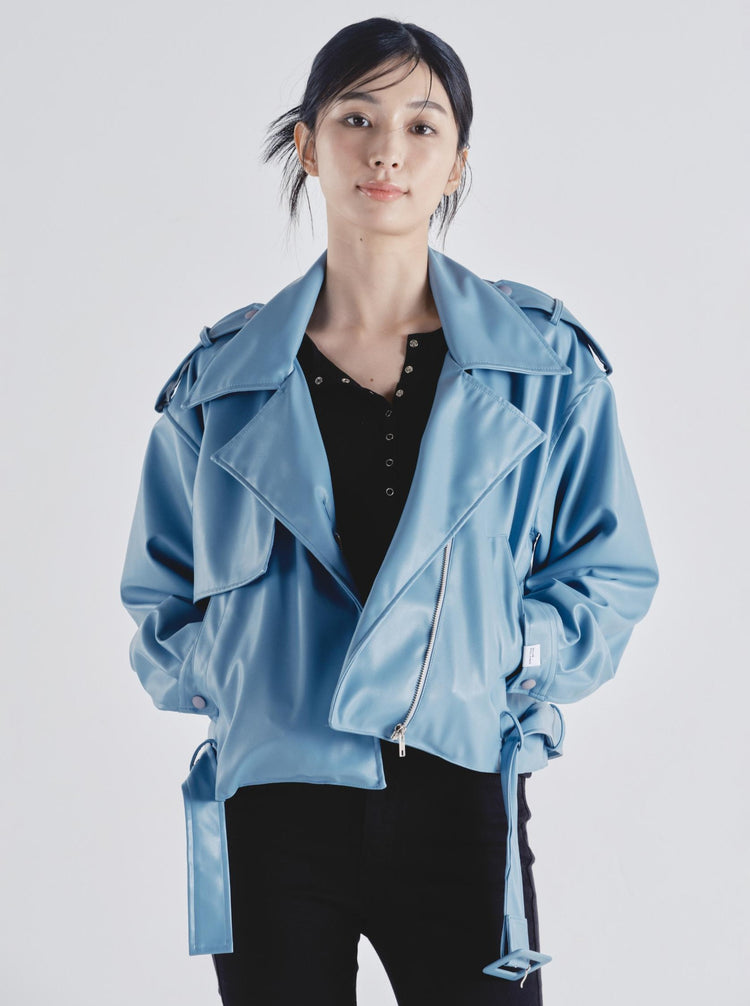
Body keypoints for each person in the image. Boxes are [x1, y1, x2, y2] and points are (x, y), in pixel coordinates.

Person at [120, 16, 659, 1006]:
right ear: (307, 144)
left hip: (462, 790)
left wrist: (507, 652)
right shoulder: (218, 384)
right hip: (271, 806)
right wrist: (240, 677)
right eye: (356, 118)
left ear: (456, 164)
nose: (386, 151)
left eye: (422, 125)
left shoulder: (545, 365)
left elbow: (609, 573)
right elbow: (161, 597)